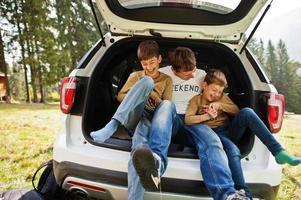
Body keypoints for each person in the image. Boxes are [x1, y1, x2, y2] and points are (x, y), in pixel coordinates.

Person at [129, 47, 250, 200]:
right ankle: (156, 165)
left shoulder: (203, 76)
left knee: (213, 141)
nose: (194, 74)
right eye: (188, 74)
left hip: (193, 120)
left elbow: (219, 97)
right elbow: (142, 87)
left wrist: (216, 108)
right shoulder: (163, 73)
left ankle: (227, 194)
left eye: (194, 69)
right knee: (166, 105)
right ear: (174, 69)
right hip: (170, 119)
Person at [185, 69, 301, 199]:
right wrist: (206, 116)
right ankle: (243, 191)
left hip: (228, 130)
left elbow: (235, 110)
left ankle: (278, 151)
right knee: (233, 149)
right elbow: (188, 119)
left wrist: (220, 105)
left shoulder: (222, 98)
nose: (216, 94)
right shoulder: (196, 100)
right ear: (204, 85)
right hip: (211, 135)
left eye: (219, 91)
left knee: (247, 112)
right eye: (213, 90)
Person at [90, 40, 172, 145]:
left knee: (141, 135)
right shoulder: (135, 76)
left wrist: (154, 97)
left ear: (159, 59)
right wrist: (140, 95)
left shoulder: (166, 80)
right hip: (133, 114)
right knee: (147, 81)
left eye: (152, 62)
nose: (149, 67)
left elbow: (167, 108)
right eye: (144, 64)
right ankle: (112, 125)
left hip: (151, 117)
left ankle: (137, 155)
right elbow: (120, 97)